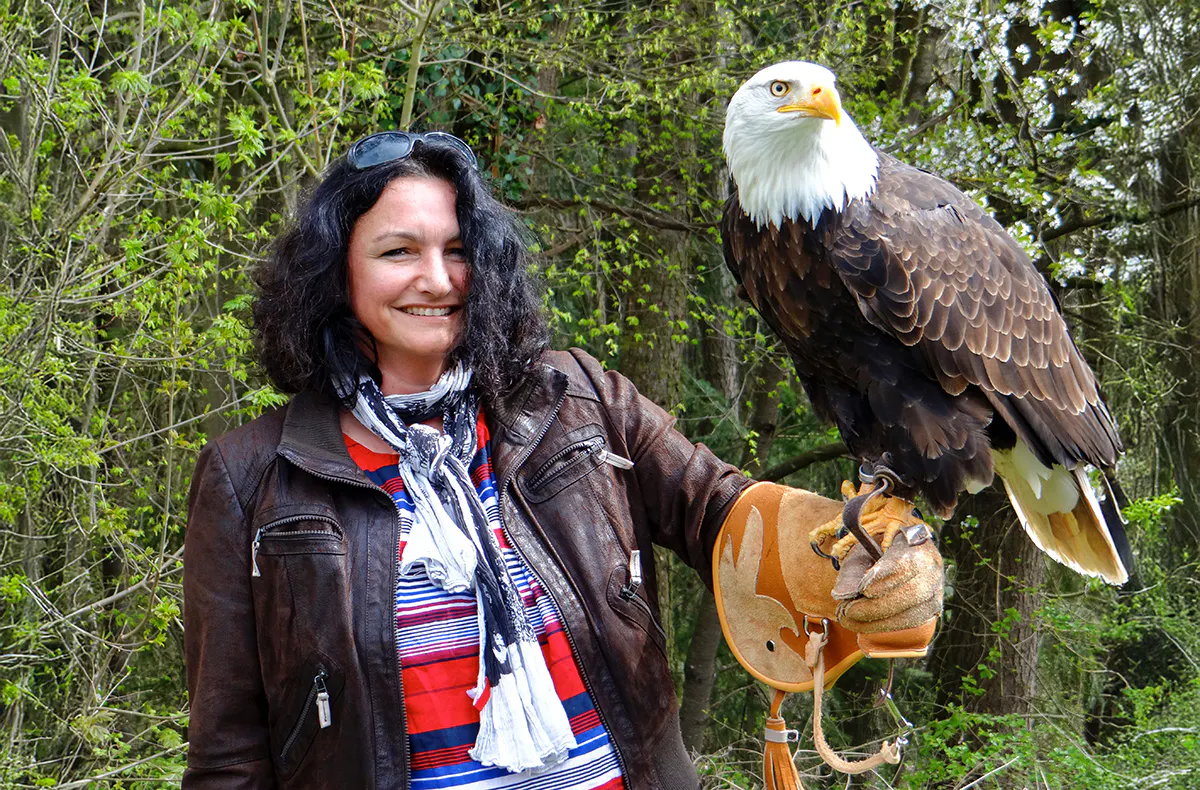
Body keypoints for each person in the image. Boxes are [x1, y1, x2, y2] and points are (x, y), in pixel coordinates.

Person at [181, 131, 943, 789]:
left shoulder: (574, 398)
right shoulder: (253, 477)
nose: (438, 279)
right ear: (336, 274)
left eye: (458, 251)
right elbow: (230, 751)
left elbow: (722, 511)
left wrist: (859, 550)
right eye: (397, 252)